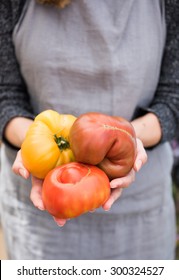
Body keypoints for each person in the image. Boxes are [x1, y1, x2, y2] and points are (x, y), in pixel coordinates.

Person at [0, 0, 179, 260]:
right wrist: (32, 141)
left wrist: (129, 137)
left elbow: (174, 95)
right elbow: (4, 93)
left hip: (140, 218)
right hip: (39, 223)